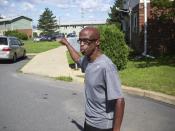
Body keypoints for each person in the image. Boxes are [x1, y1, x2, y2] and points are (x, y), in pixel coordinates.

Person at [58, 27, 125, 131]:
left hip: (102, 125)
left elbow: (119, 100)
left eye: (86, 41)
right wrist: (67, 44)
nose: (81, 44)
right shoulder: (87, 60)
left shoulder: (106, 66)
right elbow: (77, 59)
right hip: (89, 121)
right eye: (80, 41)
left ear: (97, 42)